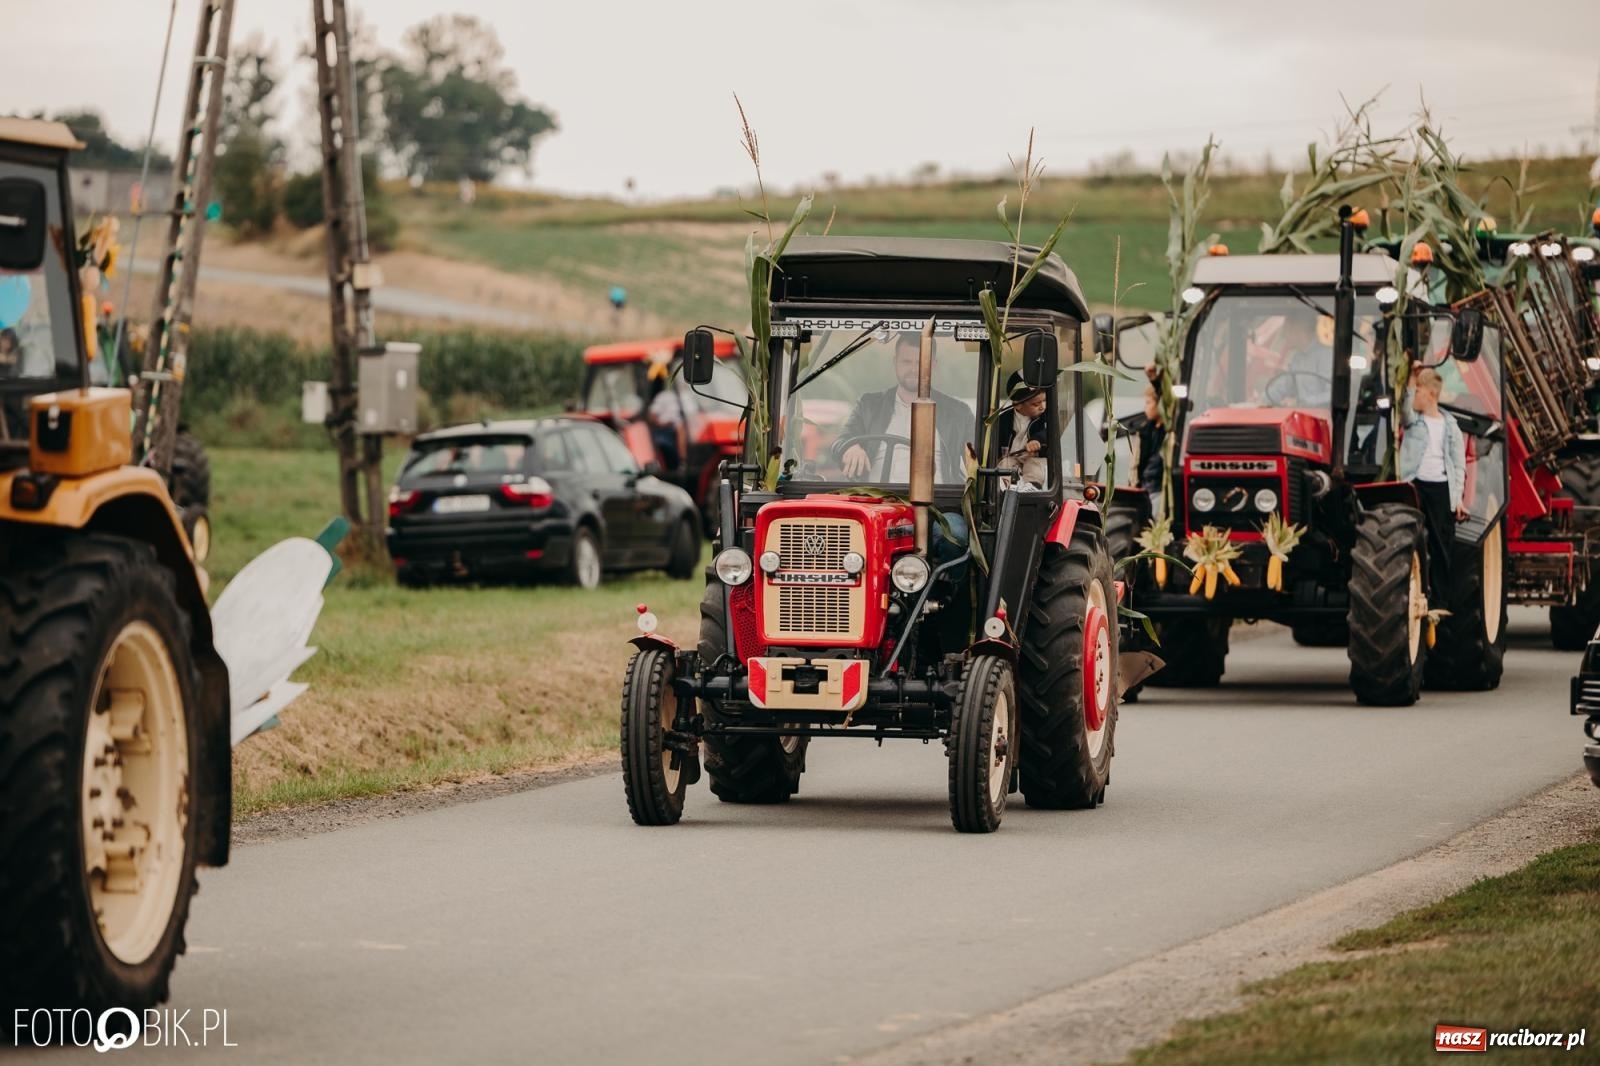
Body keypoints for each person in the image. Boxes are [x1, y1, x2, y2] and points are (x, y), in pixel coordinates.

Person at [838, 333, 972, 482]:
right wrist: (851, 447)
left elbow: (978, 458)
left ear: (933, 365)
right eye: (907, 362)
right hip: (877, 501)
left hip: (939, 502)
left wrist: (1001, 461)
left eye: (920, 362)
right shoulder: (869, 405)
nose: (914, 370)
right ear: (895, 362)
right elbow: (841, 441)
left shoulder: (958, 413)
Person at [1399, 365, 1467, 597]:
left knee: (1440, 547)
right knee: (1412, 539)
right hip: (1415, 485)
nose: (1414, 394)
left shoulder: (1451, 427)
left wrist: (1456, 499)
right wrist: (1411, 378)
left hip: (1440, 489)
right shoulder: (1413, 421)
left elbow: (1458, 466)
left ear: (1431, 394)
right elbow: (1405, 409)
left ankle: (1440, 602)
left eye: (1418, 390)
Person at [998, 371, 1050, 488]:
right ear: (1017, 405)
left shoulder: (1046, 417)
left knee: (1033, 465)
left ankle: (1032, 487)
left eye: (1044, 401)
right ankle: (1003, 488)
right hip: (1013, 457)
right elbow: (997, 441)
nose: (1043, 407)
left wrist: (1037, 440)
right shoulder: (1004, 420)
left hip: (1036, 458)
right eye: (1036, 404)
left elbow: (1049, 433)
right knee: (1005, 464)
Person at [1268, 313, 1332, 407]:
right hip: (1302, 417)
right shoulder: (1297, 359)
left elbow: (1332, 396)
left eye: (1287, 329)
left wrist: (1300, 402)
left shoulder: (1327, 356)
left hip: (1325, 419)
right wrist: (1258, 403)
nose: (1284, 335)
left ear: (1298, 329)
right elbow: (1282, 386)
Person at [1136, 380, 1167, 515]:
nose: (1145, 408)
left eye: (1149, 403)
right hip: (1146, 486)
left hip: (1158, 487)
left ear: (1160, 403)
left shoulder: (1168, 432)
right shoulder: (1147, 430)